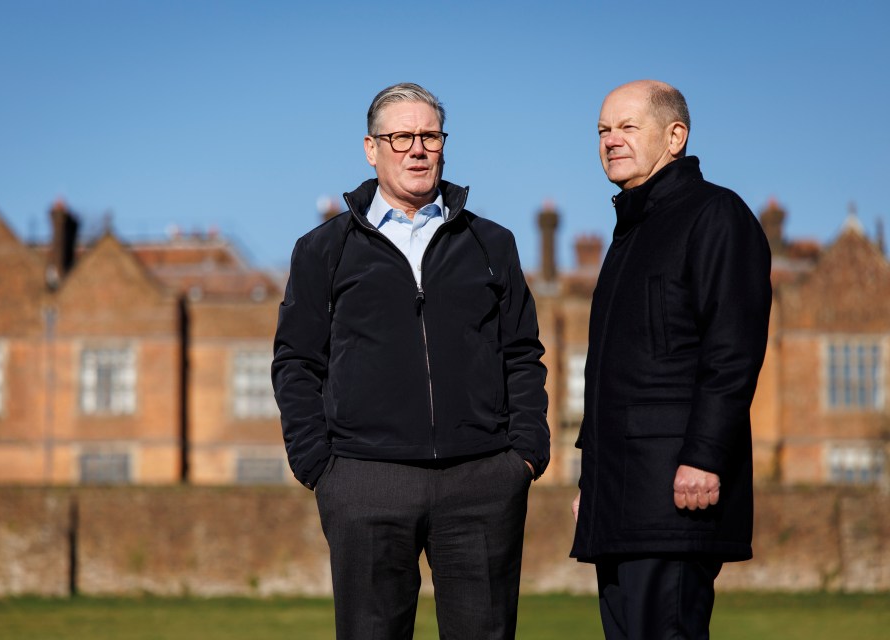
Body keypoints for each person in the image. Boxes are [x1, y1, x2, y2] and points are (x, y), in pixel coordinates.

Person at [272, 82, 549, 640]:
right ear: (372, 149)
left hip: (482, 479)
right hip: (365, 480)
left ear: (444, 145)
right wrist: (321, 467)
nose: (417, 149)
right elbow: (297, 362)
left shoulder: (492, 244)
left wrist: (523, 455)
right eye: (400, 137)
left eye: (429, 135)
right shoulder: (323, 249)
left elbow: (521, 353)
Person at [570, 80, 772, 639]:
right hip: (618, 501)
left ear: (675, 135)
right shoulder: (631, 232)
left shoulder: (716, 215)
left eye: (627, 127)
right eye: (603, 131)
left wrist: (705, 456)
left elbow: (733, 351)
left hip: (675, 494)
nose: (611, 140)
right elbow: (612, 374)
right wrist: (591, 479)